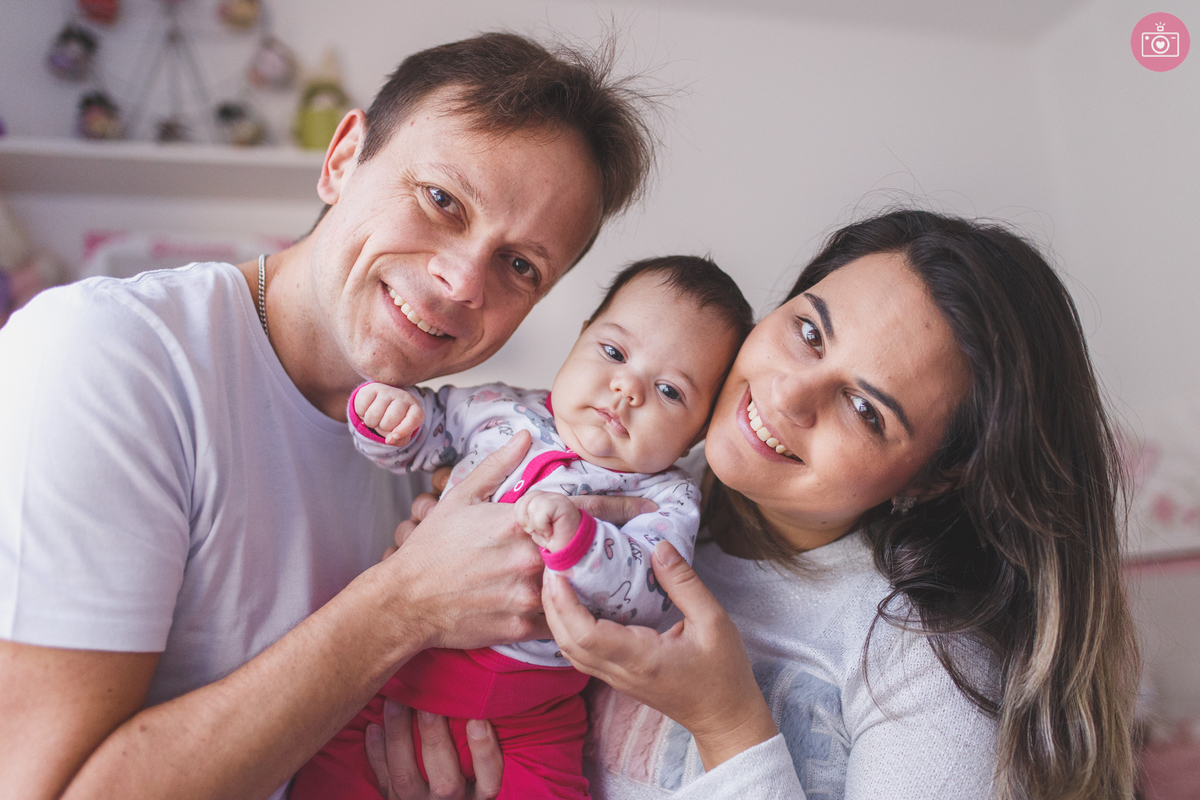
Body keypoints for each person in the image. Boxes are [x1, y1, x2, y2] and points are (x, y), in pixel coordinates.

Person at [0, 32, 659, 800]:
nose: (459, 282)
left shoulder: (425, 457)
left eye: (519, 266)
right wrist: (405, 604)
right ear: (342, 158)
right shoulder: (110, 354)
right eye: (441, 200)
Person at [372, 210, 1140, 800]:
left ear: (935, 477)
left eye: (866, 410)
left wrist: (728, 723)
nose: (788, 395)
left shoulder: (923, 659)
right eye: (808, 332)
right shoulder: (621, 478)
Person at [293, 256, 754, 799]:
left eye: (672, 391)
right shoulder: (499, 407)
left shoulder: (666, 496)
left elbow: (649, 594)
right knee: (325, 772)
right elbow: (430, 429)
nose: (627, 388)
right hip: (400, 675)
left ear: (699, 432)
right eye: (613, 352)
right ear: (581, 338)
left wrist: (582, 544)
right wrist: (391, 420)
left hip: (532, 713)